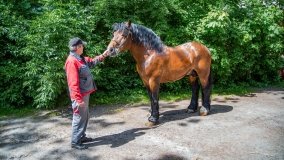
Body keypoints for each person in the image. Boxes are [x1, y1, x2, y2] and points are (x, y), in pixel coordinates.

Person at [65, 37, 108, 150]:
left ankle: (81, 136)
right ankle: (75, 142)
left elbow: (92, 62)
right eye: (82, 46)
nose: (83, 47)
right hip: (79, 96)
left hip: (84, 93)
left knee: (85, 116)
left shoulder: (80, 58)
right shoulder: (71, 61)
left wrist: (104, 55)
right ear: (77, 47)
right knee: (79, 117)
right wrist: (78, 100)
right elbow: (72, 83)